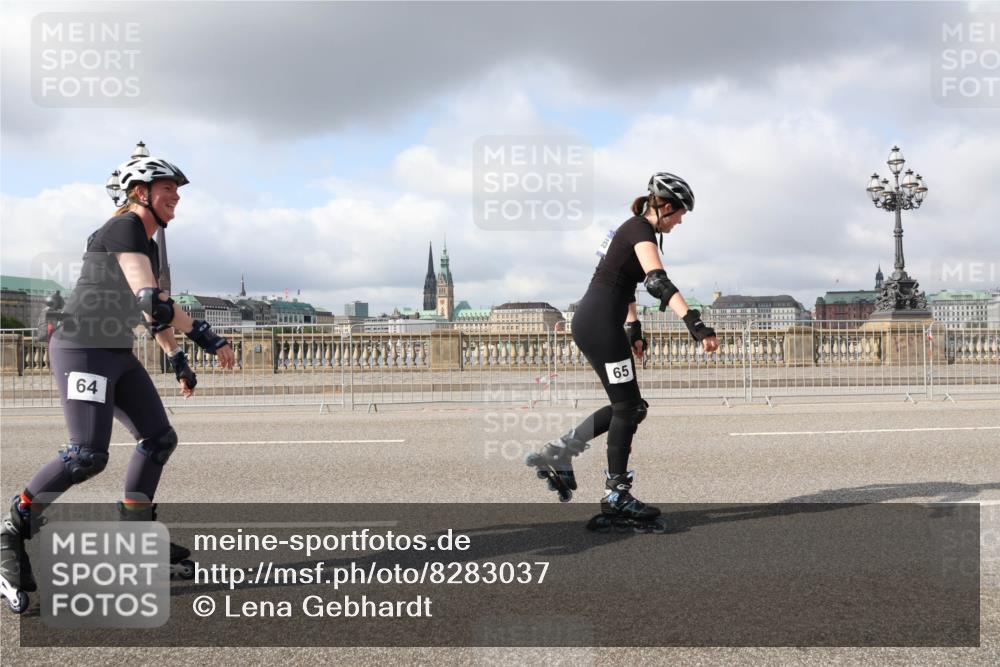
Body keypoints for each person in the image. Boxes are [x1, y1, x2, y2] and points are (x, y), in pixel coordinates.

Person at [0, 155, 236, 613]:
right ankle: (13, 529)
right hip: (82, 349)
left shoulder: (143, 243)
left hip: (114, 352)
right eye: (168, 189)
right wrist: (207, 338)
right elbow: (152, 298)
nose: (177, 197)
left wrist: (179, 359)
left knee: (158, 437)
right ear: (140, 193)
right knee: (87, 455)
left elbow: (152, 308)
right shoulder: (126, 227)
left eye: (177, 190)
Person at [526, 172, 719, 530]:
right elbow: (657, 281)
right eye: (679, 214)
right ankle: (616, 494)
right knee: (629, 408)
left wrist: (634, 329)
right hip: (598, 324)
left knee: (628, 406)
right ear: (664, 206)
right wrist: (695, 323)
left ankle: (561, 453)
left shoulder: (629, 230)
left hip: (599, 323)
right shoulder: (639, 230)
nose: (680, 221)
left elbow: (626, 284)